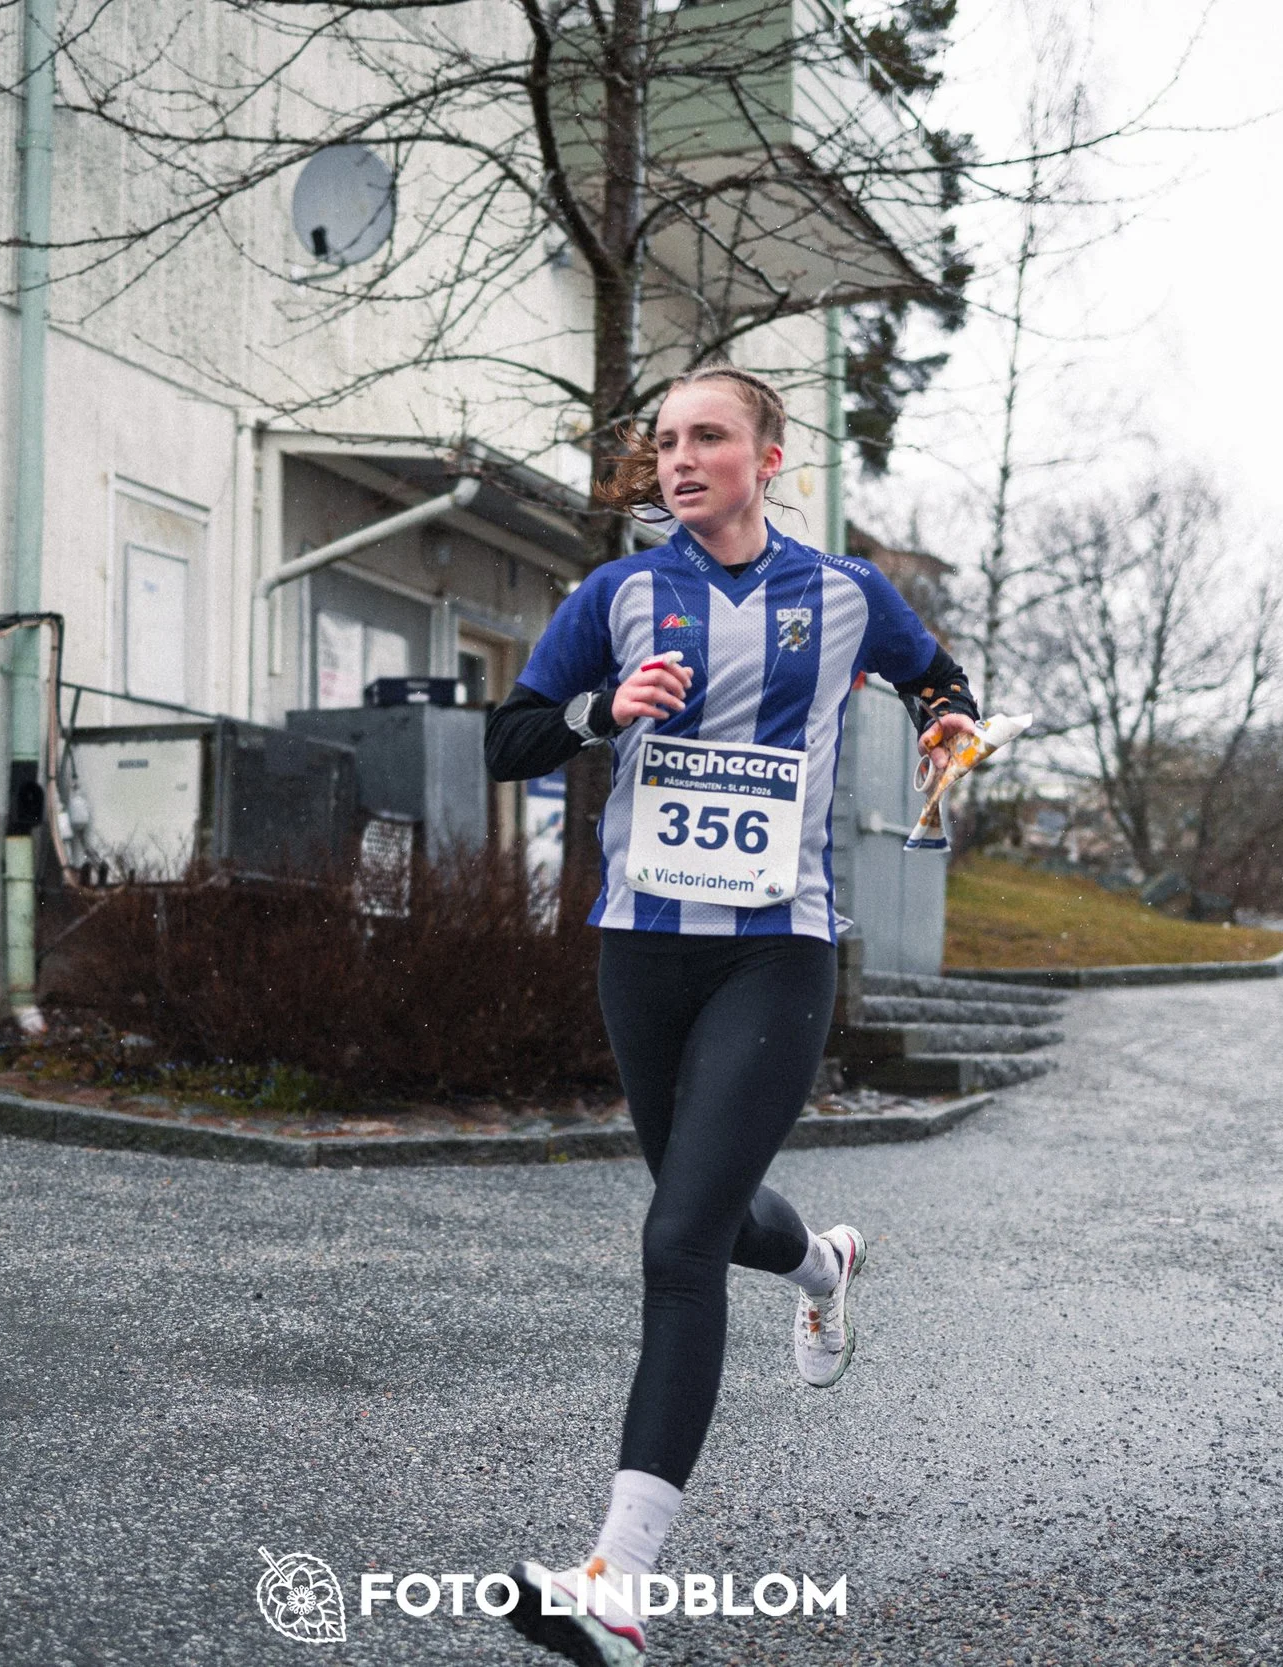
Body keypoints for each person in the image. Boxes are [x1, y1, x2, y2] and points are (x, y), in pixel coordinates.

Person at [484, 365, 978, 1667]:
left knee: (679, 1235)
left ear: (768, 457)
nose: (680, 458)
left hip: (776, 951)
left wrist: (950, 726)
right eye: (665, 441)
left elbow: (941, 680)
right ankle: (822, 1264)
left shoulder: (847, 593)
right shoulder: (616, 595)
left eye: (709, 436)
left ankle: (616, 1581)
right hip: (644, 950)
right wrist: (600, 709)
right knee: (699, 1205)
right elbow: (508, 738)